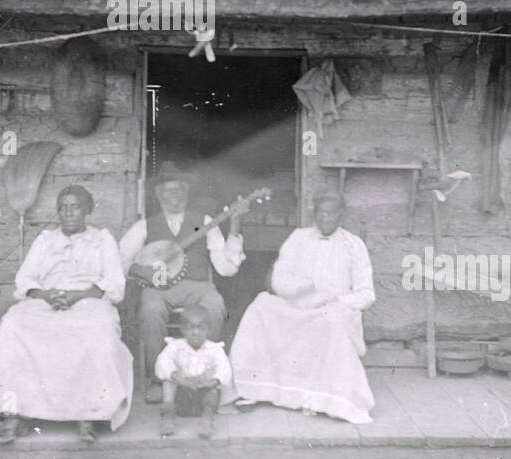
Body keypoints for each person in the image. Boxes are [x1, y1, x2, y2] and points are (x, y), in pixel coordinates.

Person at [0, 184, 133, 444]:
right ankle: (14, 412)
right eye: (63, 208)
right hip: (46, 298)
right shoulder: (46, 239)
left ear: (87, 210)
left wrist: (77, 296)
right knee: (13, 323)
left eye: (75, 207)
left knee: (98, 326)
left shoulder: (102, 240)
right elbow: (24, 279)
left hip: (88, 299)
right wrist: (46, 295)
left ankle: (88, 414)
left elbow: (115, 284)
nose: (68, 213)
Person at [229, 191, 376, 424]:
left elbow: (367, 294)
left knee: (331, 320)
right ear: (314, 214)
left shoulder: (353, 245)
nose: (324, 218)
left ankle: (328, 399)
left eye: (330, 213)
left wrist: (334, 298)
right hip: (296, 304)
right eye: (320, 212)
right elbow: (279, 280)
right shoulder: (299, 237)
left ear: (341, 215)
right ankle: (255, 388)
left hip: (332, 308)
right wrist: (302, 289)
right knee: (261, 306)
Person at [119, 165, 247, 403]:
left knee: (216, 304)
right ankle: (160, 379)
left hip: (199, 286)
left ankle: (208, 373)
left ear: (186, 195)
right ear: (158, 196)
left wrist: (236, 225)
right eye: (167, 192)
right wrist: (141, 271)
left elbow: (226, 268)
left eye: (178, 191)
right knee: (150, 309)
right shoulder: (146, 225)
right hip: (159, 288)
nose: (173, 197)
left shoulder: (205, 222)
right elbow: (120, 259)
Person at [154, 306, 233, 439]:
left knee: (213, 374)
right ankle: (168, 417)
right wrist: (177, 376)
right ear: (183, 330)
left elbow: (225, 369)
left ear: (208, 330)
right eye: (191, 328)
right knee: (168, 378)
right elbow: (162, 362)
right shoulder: (175, 346)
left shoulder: (214, 349)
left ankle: (206, 421)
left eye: (201, 328)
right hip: (182, 396)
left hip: (203, 397)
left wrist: (212, 381)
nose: (196, 333)